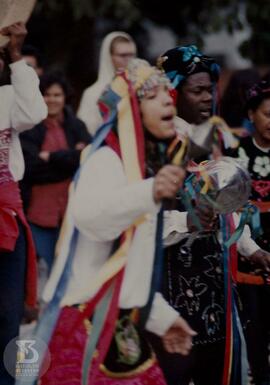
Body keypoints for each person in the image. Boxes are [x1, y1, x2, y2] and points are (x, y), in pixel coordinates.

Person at [29, 58, 197, 385]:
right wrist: (150, 191)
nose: (167, 100)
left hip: (118, 325)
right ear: (129, 111)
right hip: (82, 321)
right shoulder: (104, 160)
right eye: (153, 95)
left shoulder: (140, 171)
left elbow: (132, 263)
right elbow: (92, 217)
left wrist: (164, 319)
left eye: (168, 93)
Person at [146, 45, 270, 385]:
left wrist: (252, 251)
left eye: (209, 89)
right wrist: (187, 222)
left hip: (213, 288)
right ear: (172, 92)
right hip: (169, 292)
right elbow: (140, 226)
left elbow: (226, 210)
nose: (207, 98)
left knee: (218, 369)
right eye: (196, 90)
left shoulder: (212, 144)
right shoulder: (154, 150)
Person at [0, 22, 47, 385]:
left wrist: (16, 58)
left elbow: (34, 113)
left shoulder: (4, 100)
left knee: (7, 317)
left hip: (7, 221)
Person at [20, 71, 91, 289]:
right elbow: (30, 169)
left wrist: (51, 157)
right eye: (46, 94)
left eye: (57, 94)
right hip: (38, 216)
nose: (51, 100)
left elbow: (89, 160)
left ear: (65, 97)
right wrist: (70, 159)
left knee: (69, 275)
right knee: (45, 276)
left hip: (71, 215)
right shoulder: (29, 127)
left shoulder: (76, 125)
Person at [230, 80, 270, 385]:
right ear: (251, 114)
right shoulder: (235, 155)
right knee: (254, 327)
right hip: (247, 256)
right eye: (267, 114)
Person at [77, 31, 136, 136]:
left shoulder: (142, 89)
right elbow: (86, 134)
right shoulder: (92, 94)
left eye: (131, 54)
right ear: (109, 57)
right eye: (122, 55)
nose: (129, 60)